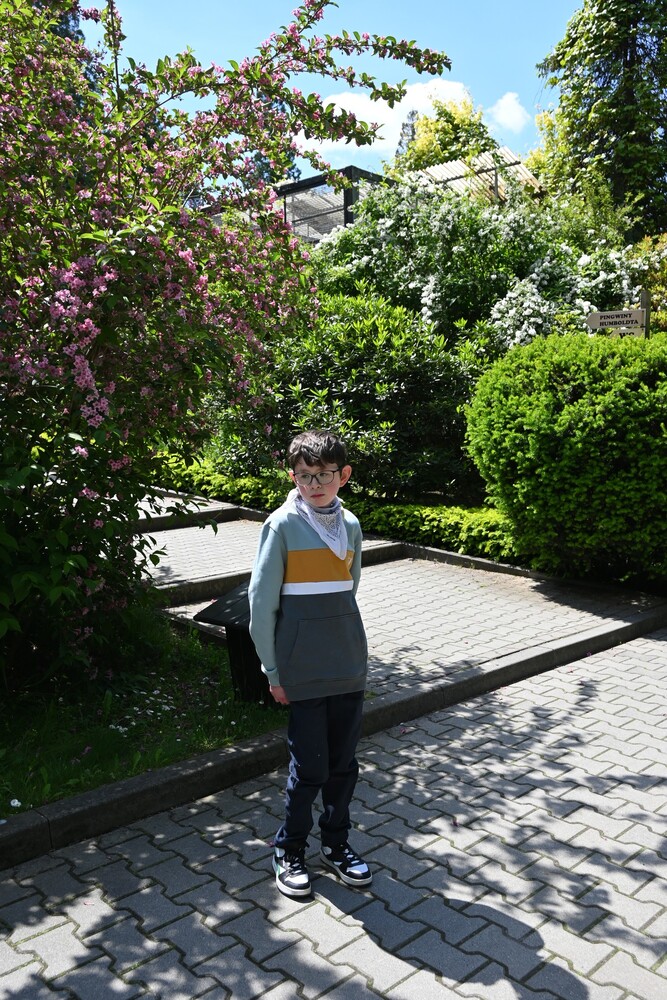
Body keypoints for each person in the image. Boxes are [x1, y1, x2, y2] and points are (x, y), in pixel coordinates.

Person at [248, 429, 372, 899]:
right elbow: (262, 605)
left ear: (344, 475)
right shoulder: (281, 525)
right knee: (310, 769)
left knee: (343, 766)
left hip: (347, 665)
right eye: (304, 476)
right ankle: (290, 850)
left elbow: (348, 590)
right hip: (302, 671)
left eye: (324, 475)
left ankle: (336, 845)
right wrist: (273, 671)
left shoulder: (351, 525)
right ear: (293, 476)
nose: (314, 485)